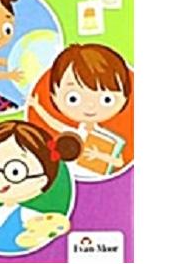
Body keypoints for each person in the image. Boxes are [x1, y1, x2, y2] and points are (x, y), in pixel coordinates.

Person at [0, 118, 81, 253]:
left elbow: (50, 224)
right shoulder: (0, 212)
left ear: (42, 180)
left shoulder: (26, 215)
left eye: (15, 172)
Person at [28, 43, 131, 171]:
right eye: (73, 98)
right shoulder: (76, 134)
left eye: (107, 99)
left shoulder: (109, 139)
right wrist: (37, 106)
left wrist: (98, 155)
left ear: (125, 97)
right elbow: (54, 123)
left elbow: (119, 162)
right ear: (54, 95)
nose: (90, 106)